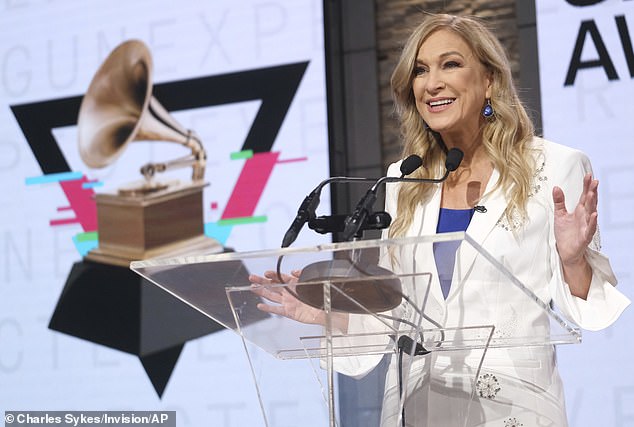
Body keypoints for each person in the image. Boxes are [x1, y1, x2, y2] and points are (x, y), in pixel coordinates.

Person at [251, 13, 630, 426]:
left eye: (450, 64)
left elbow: (589, 311)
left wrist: (573, 260)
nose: (431, 83)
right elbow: (396, 312)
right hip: (418, 408)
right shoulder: (403, 179)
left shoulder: (554, 167)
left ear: (489, 80)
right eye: (420, 70)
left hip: (513, 410)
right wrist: (327, 315)